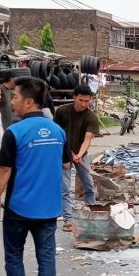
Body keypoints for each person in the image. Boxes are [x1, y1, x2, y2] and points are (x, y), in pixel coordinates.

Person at [0, 77, 70, 276]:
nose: (11, 101)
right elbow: (66, 163)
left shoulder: (14, 132)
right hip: (48, 208)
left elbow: (4, 170)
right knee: (46, 258)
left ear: (29, 102)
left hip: (19, 207)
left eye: (15, 97)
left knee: (14, 256)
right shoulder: (58, 131)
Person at [53, 84, 99, 232]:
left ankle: (91, 213)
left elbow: (87, 139)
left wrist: (79, 154)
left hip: (81, 154)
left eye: (87, 101)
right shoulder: (62, 111)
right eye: (81, 100)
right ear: (74, 98)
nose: (84, 104)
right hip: (63, 153)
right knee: (64, 187)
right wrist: (67, 152)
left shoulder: (91, 116)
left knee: (88, 184)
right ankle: (68, 220)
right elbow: (56, 134)